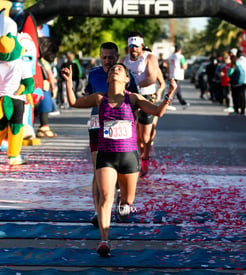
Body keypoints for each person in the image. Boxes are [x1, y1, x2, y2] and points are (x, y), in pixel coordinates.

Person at [61, 62, 177, 257]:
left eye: (120, 70)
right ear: (107, 79)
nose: (116, 71)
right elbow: (74, 102)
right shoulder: (99, 99)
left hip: (129, 158)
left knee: (126, 202)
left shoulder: (133, 99)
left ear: (126, 80)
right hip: (105, 156)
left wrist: (170, 93)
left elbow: (157, 111)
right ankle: (104, 241)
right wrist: (68, 82)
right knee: (106, 198)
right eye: (113, 70)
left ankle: (124, 204)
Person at [84, 42, 139, 227]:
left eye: (111, 57)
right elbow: (89, 97)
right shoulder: (93, 74)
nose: (107, 61)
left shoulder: (125, 74)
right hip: (97, 126)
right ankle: (98, 210)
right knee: (98, 169)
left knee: (117, 171)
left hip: (120, 129)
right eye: (104, 57)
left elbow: (135, 101)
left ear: (117, 57)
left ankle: (119, 201)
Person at [0, 33, 35, 165]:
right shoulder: (22, 64)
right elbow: (29, 84)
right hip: (17, 100)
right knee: (16, 128)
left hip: (1, 100)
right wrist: (25, 90)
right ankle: (13, 156)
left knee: (0, 126)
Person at [121, 31, 159, 177]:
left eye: (136, 46)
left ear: (142, 46)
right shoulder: (125, 59)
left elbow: (151, 78)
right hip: (130, 98)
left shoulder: (149, 58)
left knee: (144, 137)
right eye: (131, 46)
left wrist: (134, 85)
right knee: (132, 135)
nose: (133, 49)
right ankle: (135, 160)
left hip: (145, 98)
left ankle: (145, 159)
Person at [35, 37, 59, 138]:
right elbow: (50, 76)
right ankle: (44, 126)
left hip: (36, 87)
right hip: (45, 87)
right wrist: (54, 87)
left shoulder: (36, 61)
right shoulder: (45, 63)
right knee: (45, 107)